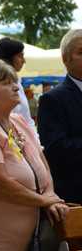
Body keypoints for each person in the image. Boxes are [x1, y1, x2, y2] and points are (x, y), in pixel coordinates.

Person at [0, 60, 68, 251]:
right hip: (1, 240)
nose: (16, 86)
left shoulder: (17, 120)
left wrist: (49, 193)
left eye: (15, 81)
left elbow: (41, 159)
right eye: (7, 83)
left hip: (32, 235)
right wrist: (45, 201)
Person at [38, 29, 82, 204]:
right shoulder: (52, 99)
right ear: (65, 59)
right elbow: (55, 148)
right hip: (74, 195)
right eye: (81, 52)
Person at [0, 37, 36, 133]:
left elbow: (26, 118)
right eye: (20, 56)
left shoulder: (17, 81)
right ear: (8, 57)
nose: (23, 60)